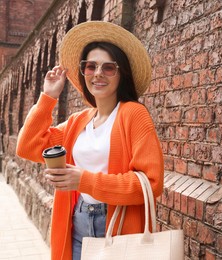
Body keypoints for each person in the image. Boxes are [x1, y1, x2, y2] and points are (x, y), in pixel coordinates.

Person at [16, 21, 164, 260]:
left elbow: (152, 183)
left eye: (108, 68)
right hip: (78, 222)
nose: (97, 73)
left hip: (118, 226)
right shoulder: (78, 122)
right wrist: (48, 97)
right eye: (90, 66)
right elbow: (27, 147)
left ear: (121, 72)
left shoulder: (133, 114)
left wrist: (83, 180)